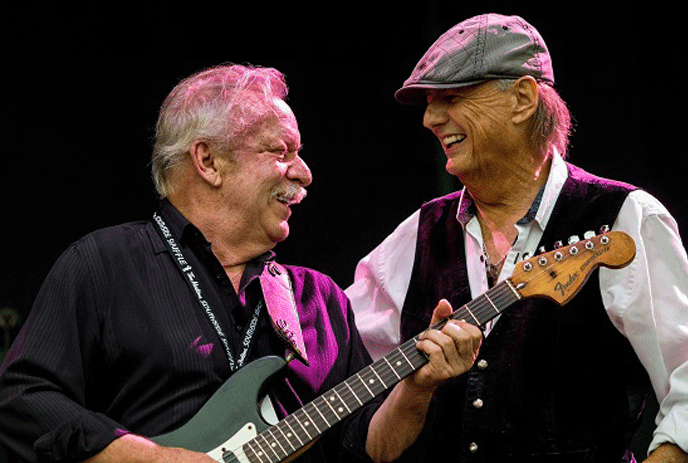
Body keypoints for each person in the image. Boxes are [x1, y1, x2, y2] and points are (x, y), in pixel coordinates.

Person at [0, 64, 483, 462]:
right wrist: (144, 456)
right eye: (281, 151)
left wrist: (416, 391)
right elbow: (20, 401)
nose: (305, 173)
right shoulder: (103, 266)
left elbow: (365, 448)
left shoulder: (318, 299)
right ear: (208, 162)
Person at [346, 13, 688, 463]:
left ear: (523, 98)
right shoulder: (416, 236)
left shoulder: (623, 217)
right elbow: (344, 382)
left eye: (451, 96)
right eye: (429, 102)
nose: (430, 118)